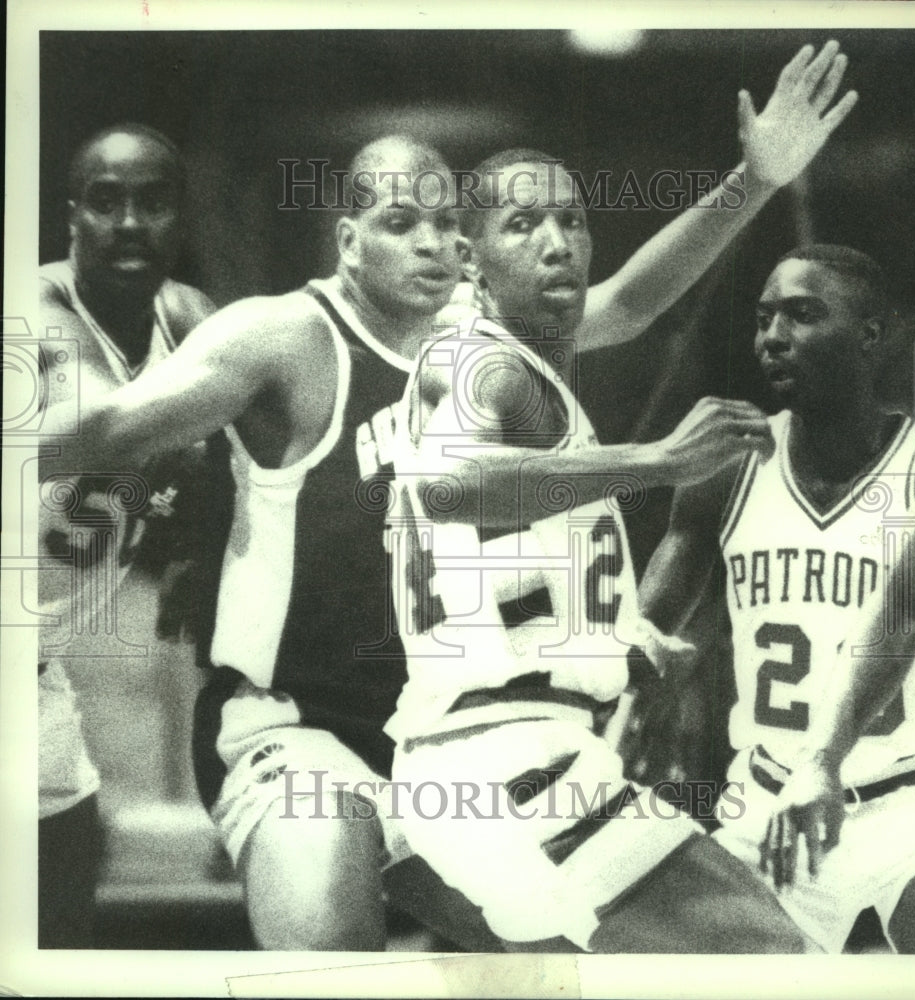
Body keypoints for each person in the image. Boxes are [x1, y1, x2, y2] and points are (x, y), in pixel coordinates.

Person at [37, 38, 855, 951]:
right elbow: (107, 430)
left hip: (444, 733)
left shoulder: (476, 337)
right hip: (303, 727)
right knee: (331, 960)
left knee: (573, 962)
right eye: (399, 222)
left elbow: (629, 301)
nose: (428, 242)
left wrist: (755, 179)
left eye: (442, 225)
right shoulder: (283, 339)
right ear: (347, 240)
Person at [385, 41, 857, 951]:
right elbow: (448, 488)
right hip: (506, 763)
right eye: (523, 225)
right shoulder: (477, 364)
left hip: (487, 759)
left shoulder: (528, 357)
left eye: (571, 219)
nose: (556, 241)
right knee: (773, 957)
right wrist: (660, 460)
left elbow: (637, 301)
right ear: (471, 260)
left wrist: (756, 181)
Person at [639, 244, 915, 953]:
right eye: (763, 318)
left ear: (870, 335)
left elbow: (910, 613)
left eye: (803, 315)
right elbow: (650, 627)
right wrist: (638, 694)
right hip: (768, 805)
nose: (773, 336)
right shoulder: (728, 465)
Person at [37, 123, 215, 947]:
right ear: (71, 217)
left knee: (61, 903)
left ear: (181, 217)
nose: (130, 223)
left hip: (35, 670)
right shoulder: (33, 308)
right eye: (106, 203)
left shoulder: (188, 318)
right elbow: (106, 420)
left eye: (153, 202)